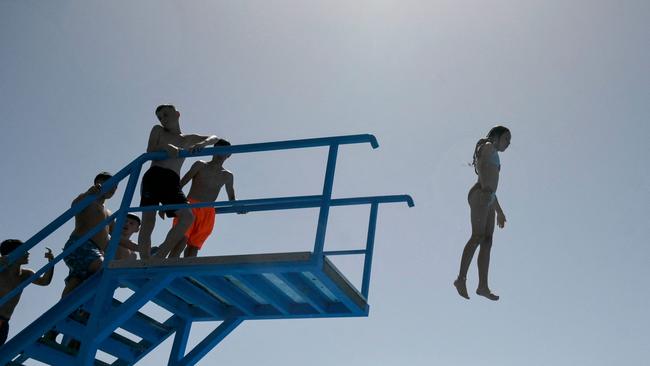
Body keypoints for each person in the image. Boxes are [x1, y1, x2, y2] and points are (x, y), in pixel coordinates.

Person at [138, 104, 224, 259]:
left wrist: (202, 144)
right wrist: (166, 148)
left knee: (187, 217)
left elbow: (214, 138)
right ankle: (144, 260)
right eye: (160, 117)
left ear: (177, 114)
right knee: (148, 221)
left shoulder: (187, 139)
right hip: (154, 175)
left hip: (172, 180)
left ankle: (159, 257)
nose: (163, 119)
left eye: (165, 115)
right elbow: (150, 150)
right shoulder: (158, 130)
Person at [454, 126, 511, 301]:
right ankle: (461, 279)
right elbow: (482, 164)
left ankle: (482, 286)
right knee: (478, 236)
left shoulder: (495, 153)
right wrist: (486, 190)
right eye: (506, 139)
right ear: (496, 136)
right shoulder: (487, 146)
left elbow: (492, 188)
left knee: (487, 241)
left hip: (488, 196)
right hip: (480, 194)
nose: (508, 143)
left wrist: (499, 211)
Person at [163, 139, 243, 258]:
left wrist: (238, 208)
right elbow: (182, 183)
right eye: (217, 150)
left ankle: (186, 274)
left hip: (208, 212)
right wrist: (167, 202)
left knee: (194, 247)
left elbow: (232, 197)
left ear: (229, 154)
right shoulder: (200, 165)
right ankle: (168, 269)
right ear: (212, 150)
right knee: (180, 241)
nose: (220, 154)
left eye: (224, 151)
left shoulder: (227, 175)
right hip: (190, 206)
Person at [0, 239, 55, 346]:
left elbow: (45, 281)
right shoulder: (2, 270)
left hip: (5, 321)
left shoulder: (25, 275)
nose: (28, 252)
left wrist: (51, 262)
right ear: (12, 253)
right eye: (24, 250)